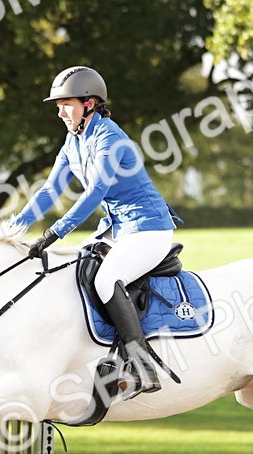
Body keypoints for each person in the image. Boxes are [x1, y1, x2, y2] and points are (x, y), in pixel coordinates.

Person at [10, 65, 180, 397]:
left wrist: (54, 232)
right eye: (57, 106)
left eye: (66, 104)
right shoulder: (74, 141)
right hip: (117, 228)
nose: (60, 112)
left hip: (148, 228)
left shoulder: (109, 137)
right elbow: (49, 190)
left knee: (104, 280)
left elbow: (95, 192)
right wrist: (12, 228)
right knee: (69, 269)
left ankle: (143, 366)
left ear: (89, 103)